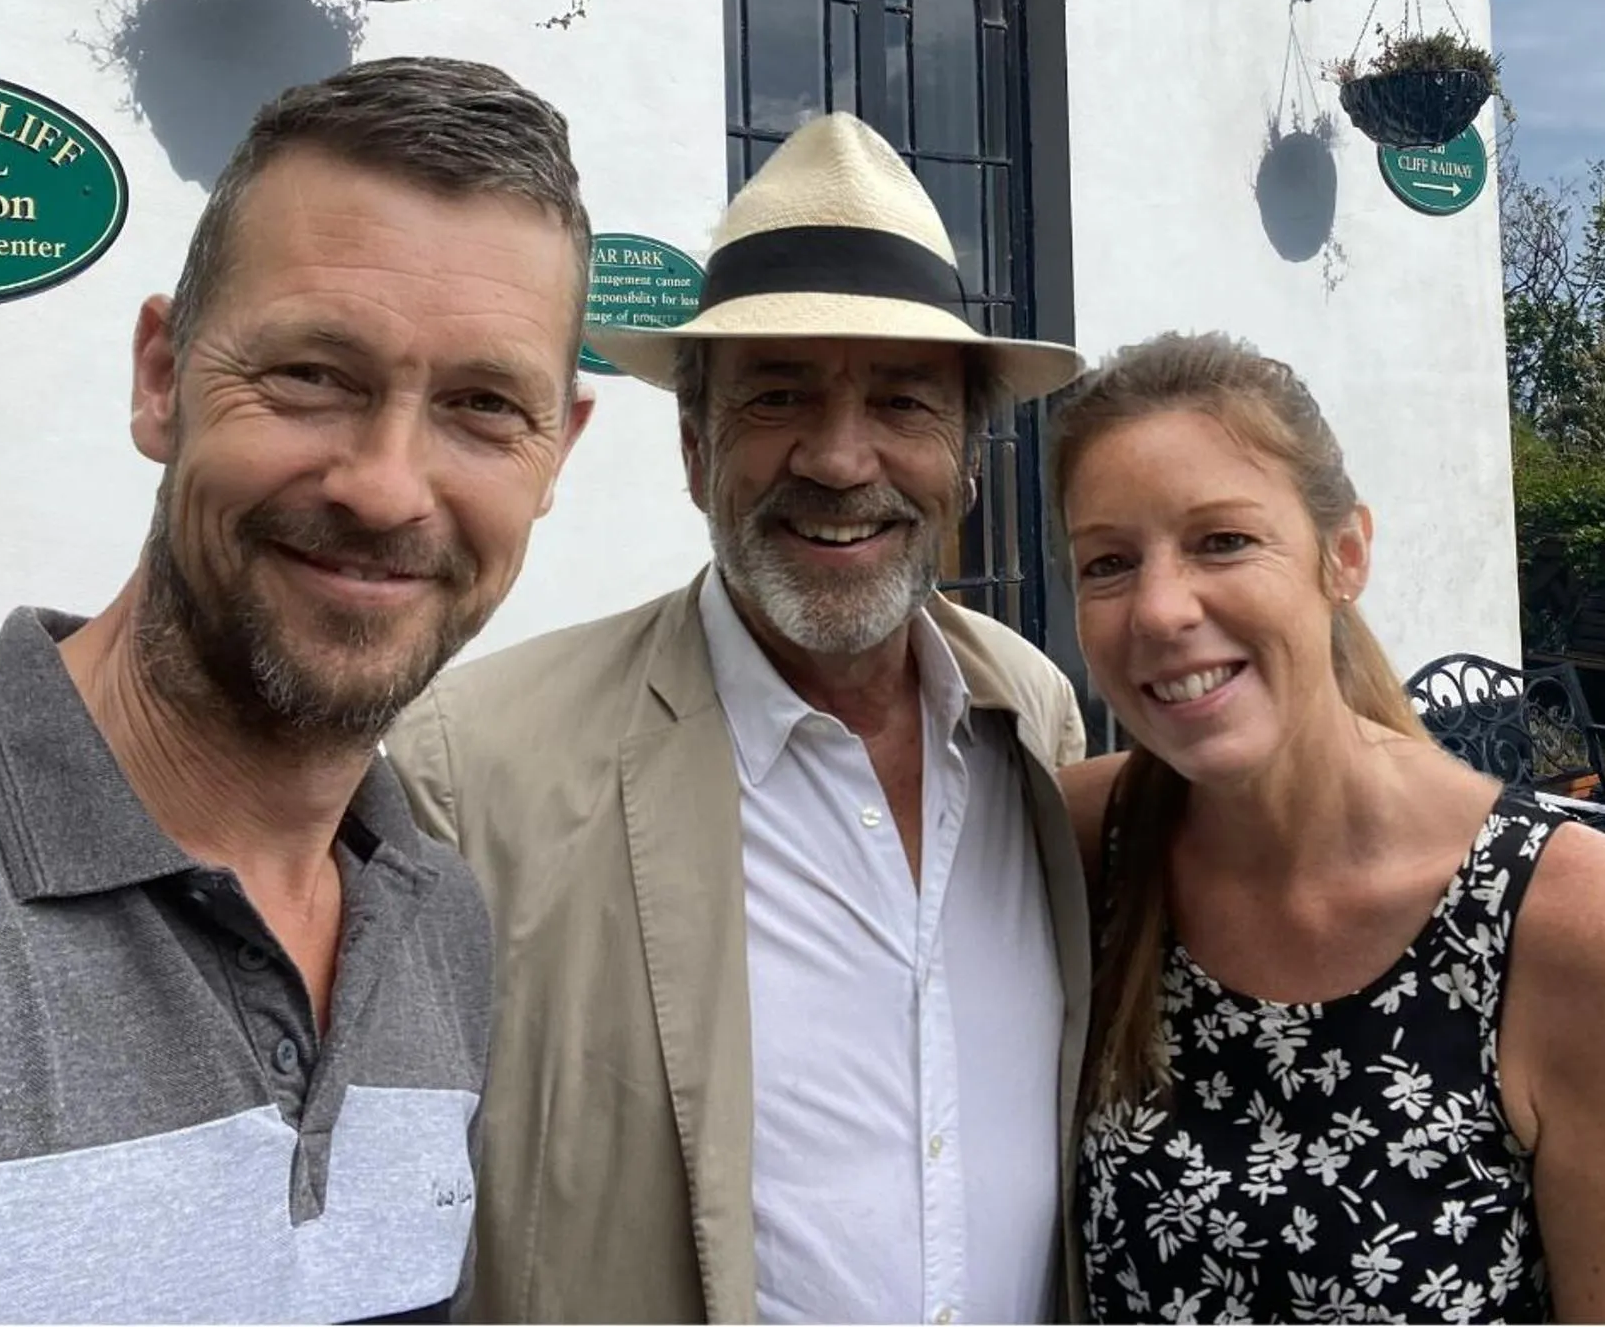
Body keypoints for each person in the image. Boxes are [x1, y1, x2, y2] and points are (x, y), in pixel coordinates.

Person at [0, 57, 598, 1324]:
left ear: (554, 457)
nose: (385, 484)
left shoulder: (429, 915)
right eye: (313, 373)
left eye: (483, 407)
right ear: (162, 378)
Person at [386, 111, 1094, 1324]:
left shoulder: (1028, 716)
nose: (836, 458)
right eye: (777, 395)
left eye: (904, 403)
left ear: (967, 461)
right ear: (694, 444)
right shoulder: (473, 767)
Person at [1051, 332, 1605, 1325]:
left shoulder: (1573, 923)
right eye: (1107, 562)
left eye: (1222, 540)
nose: (1158, 609)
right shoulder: (1082, 847)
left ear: (1345, 555)